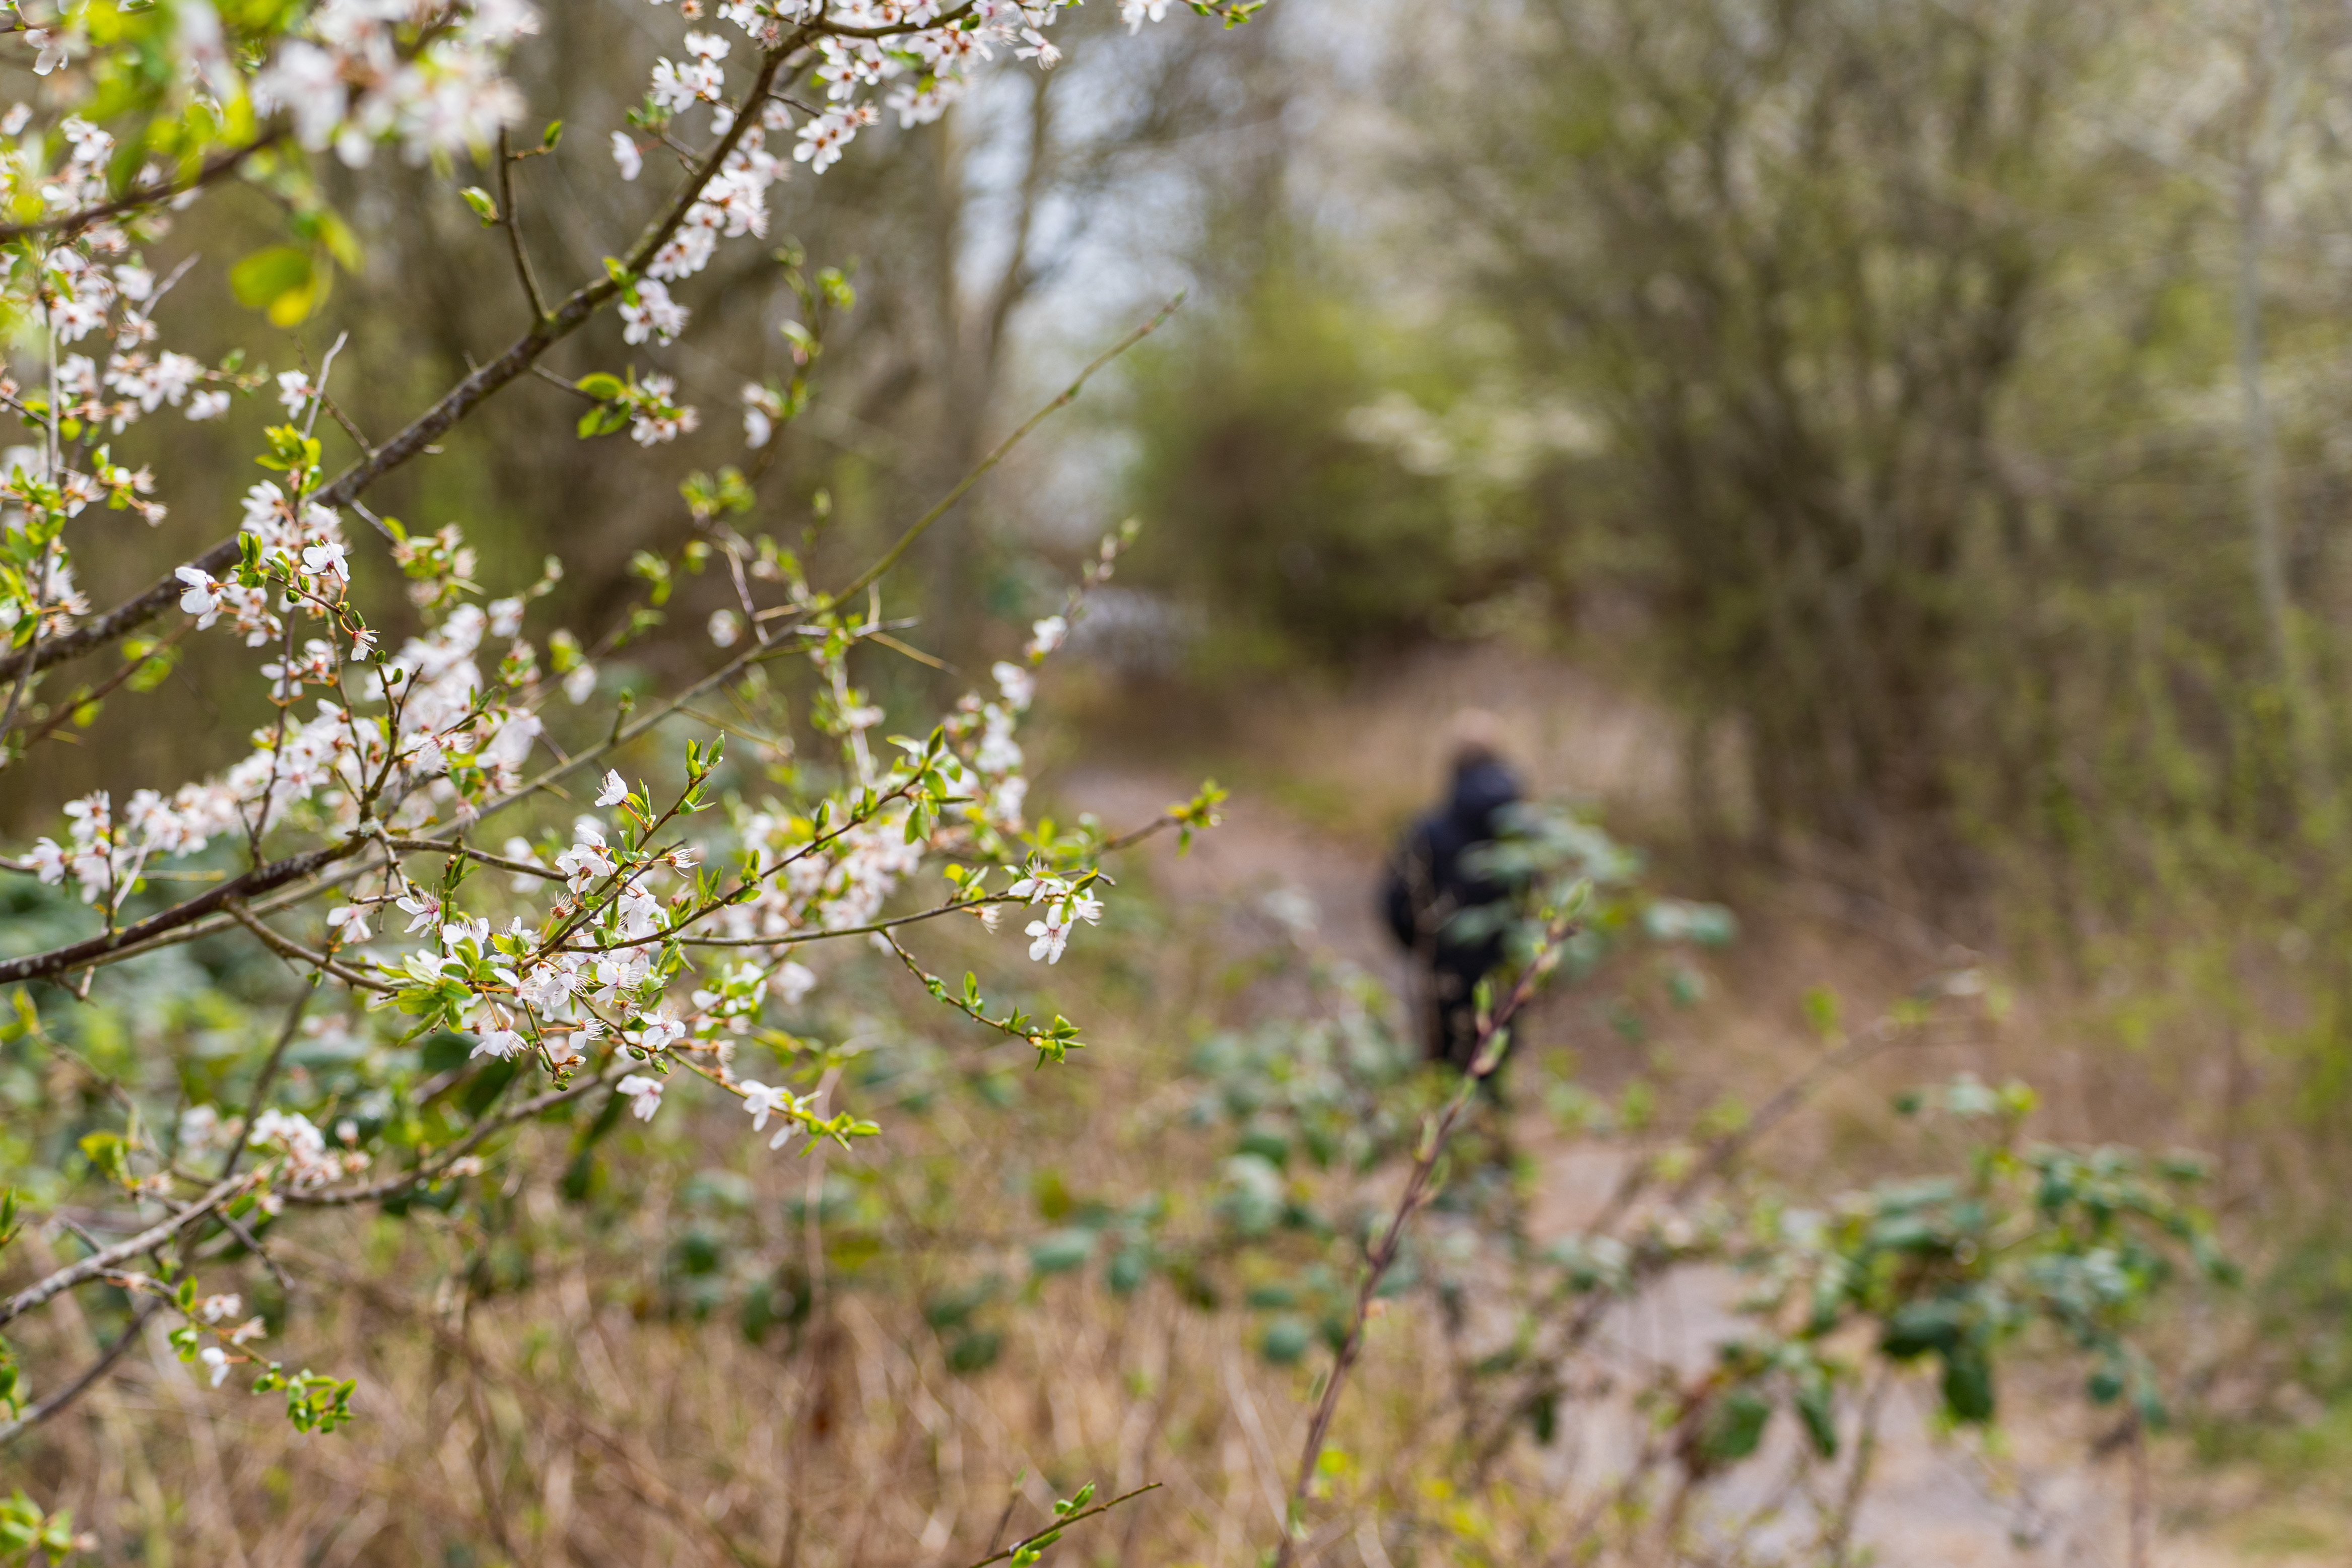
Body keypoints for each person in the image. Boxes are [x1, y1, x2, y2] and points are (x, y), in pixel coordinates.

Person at [1381, 713, 1525, 1076]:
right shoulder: (1526, 833)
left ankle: (1451, 1131)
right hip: (1506, 971)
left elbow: (1394, 904)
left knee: (1444, 1072)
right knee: (1494, 1064)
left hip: (1445, 974)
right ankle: (1490, 1125)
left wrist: (1423, 948)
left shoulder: (1428, 830)